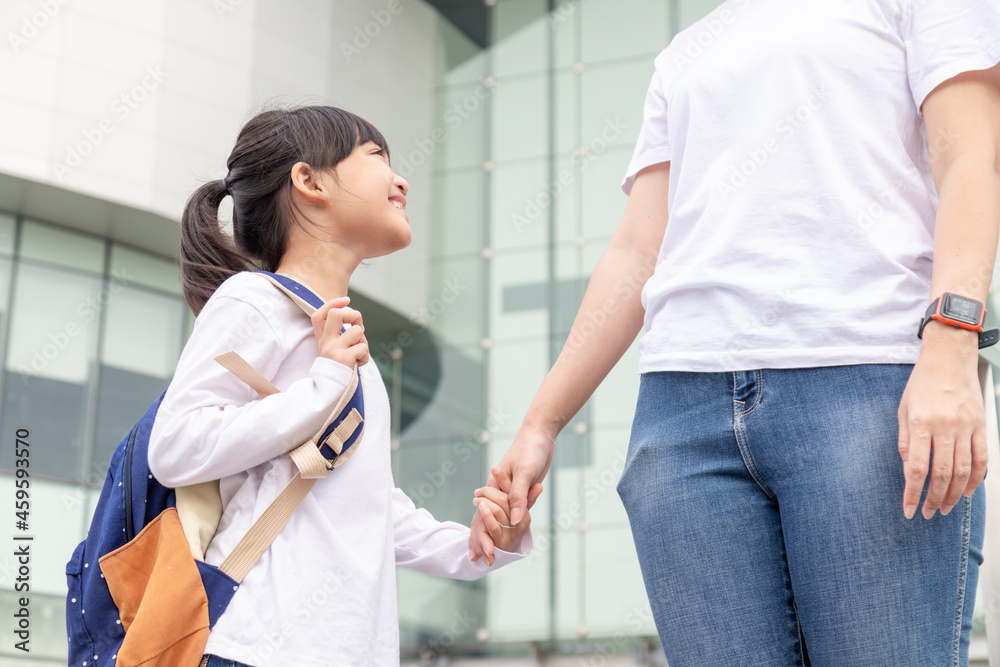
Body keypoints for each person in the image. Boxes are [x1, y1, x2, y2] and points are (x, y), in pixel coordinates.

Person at [468, 1, 1000, 665]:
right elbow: (637, 249)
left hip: (862, 379)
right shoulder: (685, 53)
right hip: (681, 410)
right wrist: (540, 423)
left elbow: (973, 159)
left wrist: (952, 338)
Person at [147, 106, 541, 667]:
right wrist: (324, 382)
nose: (400, 179)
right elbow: (175, 447)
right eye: (377, 157)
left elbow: (366, 508)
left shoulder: (346, 346)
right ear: (308, 181)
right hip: (260, 644)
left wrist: (480, 543)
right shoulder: (253, 301)